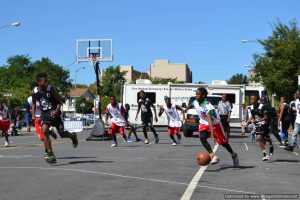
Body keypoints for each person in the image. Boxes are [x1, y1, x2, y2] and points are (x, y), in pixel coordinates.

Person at [184, 88, 239, 167]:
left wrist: (212, 133)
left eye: (198, 94)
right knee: (202, 138)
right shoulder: (196, 101)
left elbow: (210, 120)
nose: (196, 96)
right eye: (196, 94)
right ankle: (213, 156)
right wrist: (186, 109)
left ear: (203, 96)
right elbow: (192, 104)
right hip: (203, 123)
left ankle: (234, 155)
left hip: (215, 124)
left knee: (223, 143)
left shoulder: (207, 106)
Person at [32, 73, 78, 164]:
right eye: (44, 81)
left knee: (62, 134)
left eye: (47, 81)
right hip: (45, 115)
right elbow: (33, 102)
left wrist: (56, 111)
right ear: (39, 82)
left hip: (55, 114)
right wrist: (33, 113)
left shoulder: (51, 89)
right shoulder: (35, 91)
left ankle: (72, 136)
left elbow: (59, 101)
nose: (46, 83)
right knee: (44, 130)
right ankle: (50, 153)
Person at [244, 95, 274, 161]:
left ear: (257, 100)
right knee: (259, 138)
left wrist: (258, 120)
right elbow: (252, 116)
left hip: (264, 124)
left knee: (267, 137)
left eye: (253, 99)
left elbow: (266, 117)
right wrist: (247, 122)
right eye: (251, 99)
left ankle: (271, 146)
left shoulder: (262, 107)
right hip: (258, 125)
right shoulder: (251, 107)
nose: (251, 100)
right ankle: (265, 154)